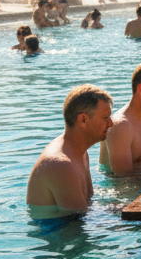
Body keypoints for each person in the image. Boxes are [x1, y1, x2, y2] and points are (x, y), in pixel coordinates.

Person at [26, 85, 112, 219]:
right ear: (83, 120)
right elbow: (77, 223)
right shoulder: (61, 165)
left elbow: (88, 205)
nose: (111, 123)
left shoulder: (81, 153)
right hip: (56, 232)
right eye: (105, 117)